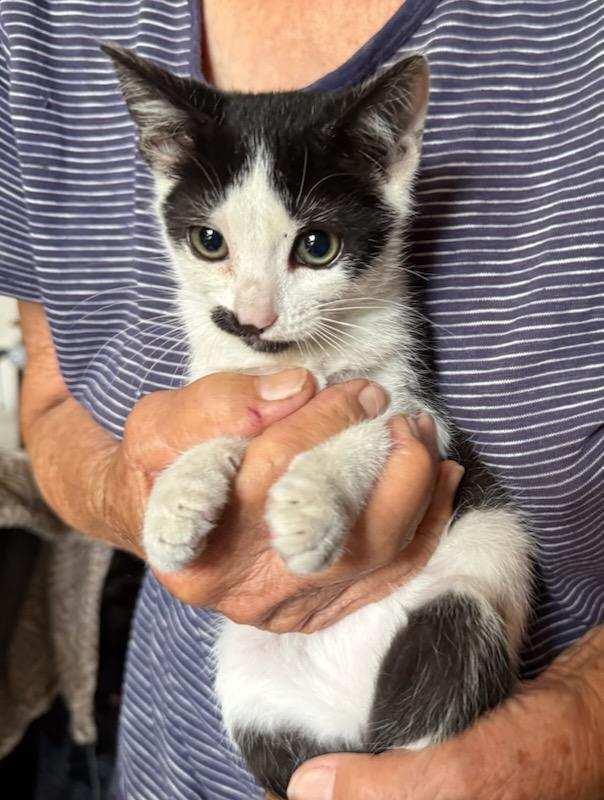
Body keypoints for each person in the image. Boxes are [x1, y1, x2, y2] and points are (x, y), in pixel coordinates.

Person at [1, 1, 602, 798]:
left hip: (480, 712)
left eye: (313, 246)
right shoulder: (32, 25)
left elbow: (391, 421)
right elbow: (50, 405)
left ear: (392, 162)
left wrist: (571, 732)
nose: (255, 312)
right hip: (206, 739)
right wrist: (136, 490)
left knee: (490, 535)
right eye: (211, 244)